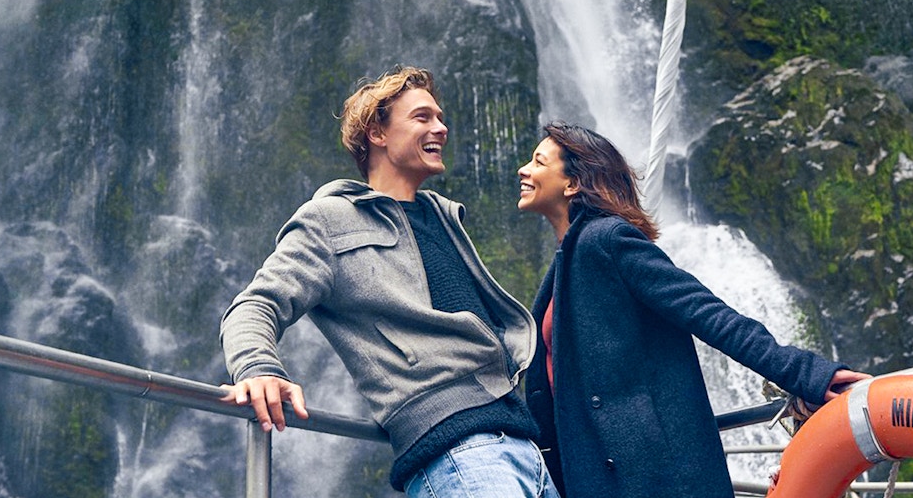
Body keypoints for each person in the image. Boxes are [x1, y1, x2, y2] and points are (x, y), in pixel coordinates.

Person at [220, 67, 559, 498]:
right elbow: (254, 306)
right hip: (460, 452)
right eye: (422, 118)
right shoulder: (329, 220)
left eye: (440, 118)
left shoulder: (442, 217)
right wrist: (258, 368)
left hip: (523, 447)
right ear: (376, 133)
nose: (441, 127)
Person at [515, 121, 870, 498]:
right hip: (596, 473)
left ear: (572, 184)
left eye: (538, 162)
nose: (524, 169)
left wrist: (806, 374)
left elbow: (707, 313)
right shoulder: (565, 262)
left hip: (647, 475)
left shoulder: (607, 240)